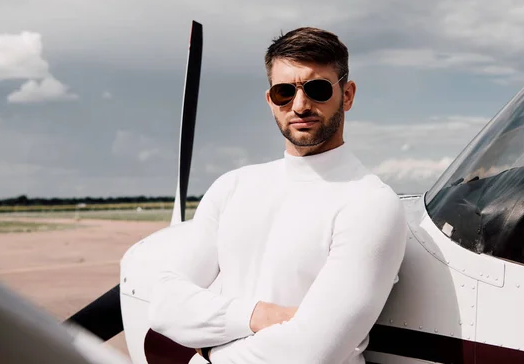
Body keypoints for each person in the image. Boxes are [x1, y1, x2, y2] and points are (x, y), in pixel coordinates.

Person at [148, 27, 408, 364]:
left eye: (317, 89)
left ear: (347, 95)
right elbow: (163, 303)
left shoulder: (370, 203)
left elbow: (311, 352)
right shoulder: (232, 187)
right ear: (271, 99)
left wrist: (209, 351)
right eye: (284, 92)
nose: (300, 105)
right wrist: (256, 315)